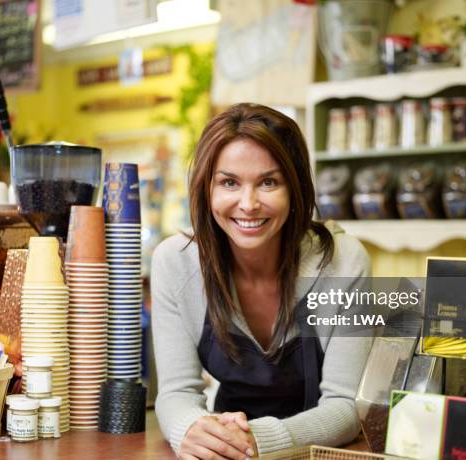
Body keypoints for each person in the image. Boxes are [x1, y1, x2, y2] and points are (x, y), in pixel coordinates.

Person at [151, 103, 372, 460]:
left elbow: (347, 407)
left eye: (268, 182)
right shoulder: (175, 263)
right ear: (206, 189)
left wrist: (260, 439)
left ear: (295, 187)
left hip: (320, 451)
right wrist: (192, 430)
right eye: (229, 182)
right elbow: (176, 393)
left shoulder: (345, 261)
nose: (248, 203)